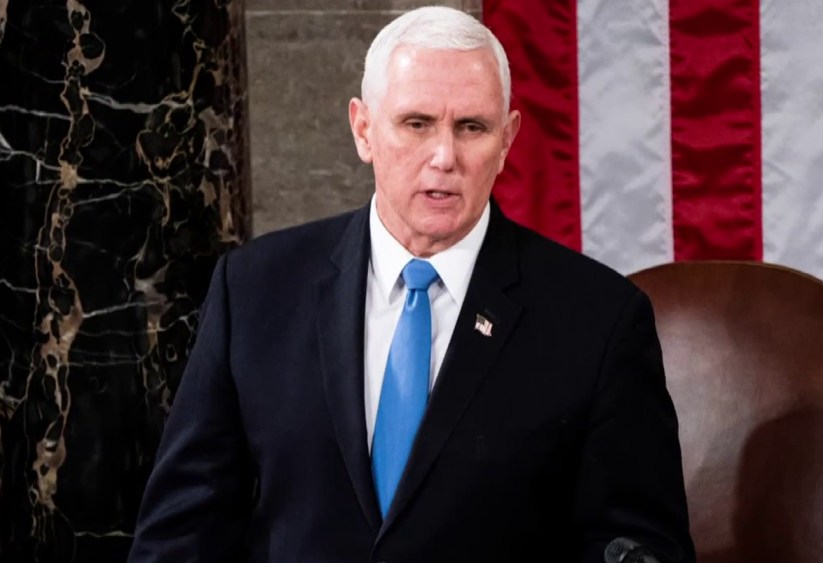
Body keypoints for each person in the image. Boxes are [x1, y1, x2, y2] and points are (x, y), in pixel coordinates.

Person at [128, 6, 694, 562]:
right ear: (363, 130)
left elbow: (638, 542)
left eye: (471, 127)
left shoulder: (597, 320)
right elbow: (181, 533)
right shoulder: (256, 290)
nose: (444, 156)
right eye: (417, 124)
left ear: (507, 140)